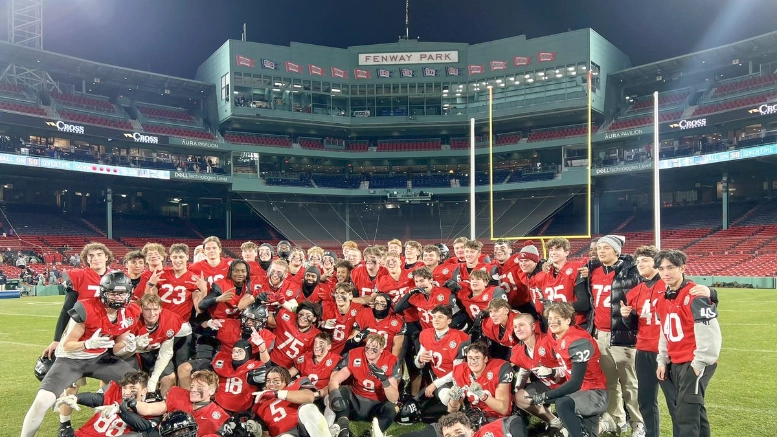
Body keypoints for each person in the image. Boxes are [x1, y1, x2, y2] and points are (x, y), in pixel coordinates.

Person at [21, 272, 140, 437]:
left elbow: (117, 348)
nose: (118, 297)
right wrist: (87, 343)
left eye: (122, 293)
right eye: (113, 293)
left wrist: (130, 347)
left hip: (100, 358)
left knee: (137, 382)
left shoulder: (131, 311)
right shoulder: (86, 307)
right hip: (71, 360)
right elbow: (67, 345)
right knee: (43, 401)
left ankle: (133, 425)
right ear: (104, 292)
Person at [655, 250, 721, 437]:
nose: (665, 273)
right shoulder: (663, 297)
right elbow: (664, 332)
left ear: (682, 268)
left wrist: (699, 362)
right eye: (661, 269)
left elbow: (710, 333)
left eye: (671, 267)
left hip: (694, 362)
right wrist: (662, 360)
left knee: (685, 414)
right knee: (693, 411)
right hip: (676, 362)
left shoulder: (695, 295)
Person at [588, 235, 644, 436]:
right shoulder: (593, 271)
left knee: (630, 384)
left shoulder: (632, 271)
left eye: (606, 248)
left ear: (617, 251)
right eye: (599, 248)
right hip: (600, 335)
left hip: (623, 335)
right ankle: (618, 420)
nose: (601, 251)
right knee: (609, 382)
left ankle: (638, 422)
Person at [528, 302, 608, 437]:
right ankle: (605, 425)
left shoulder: (578, 341)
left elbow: (575, 382)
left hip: (595, 393)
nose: (552, 322)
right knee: (586, 434)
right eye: (550, 318)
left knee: (563, 404)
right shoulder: (555, 335)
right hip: (580, 393)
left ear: (568, 320)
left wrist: (545, 396)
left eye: (557, 318)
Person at [327, 333, 401, 435]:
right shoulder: (355, 354)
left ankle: (372, 433)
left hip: (376, 404)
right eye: (367, 347)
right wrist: (335, 395)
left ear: (381, 349)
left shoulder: (391, 360)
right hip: (356, 401)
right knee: (342, 390)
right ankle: (344, 428)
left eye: (374, 348)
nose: (370, 350)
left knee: (393, 407)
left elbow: (394, 398)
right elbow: (334, 381)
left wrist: (385, 380)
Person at [54, 370, 160, 437]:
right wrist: (76, 398)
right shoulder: (115, 394)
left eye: (133, 388)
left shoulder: (152, 406)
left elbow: (145, 427)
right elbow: (95, 399)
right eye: (124, 388)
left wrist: (120, 410)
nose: (127, 392)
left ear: (144, 391)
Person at [509, 313, 565, 435]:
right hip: (548, 385)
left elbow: (571, 368)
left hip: (569, 385)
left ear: (533, 327)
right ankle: (554, 421)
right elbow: (525, 369)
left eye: (521, 325)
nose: (518, 329)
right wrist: (517, 389)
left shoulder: (549, 341)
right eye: (515, 326)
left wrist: (553, 371)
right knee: (520, 397)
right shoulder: (518, 351)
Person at [133, 370, 229, 435]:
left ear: (211, 391)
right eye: (192, 386)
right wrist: (132, 403)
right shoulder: (179, 395)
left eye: (199, 388)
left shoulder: (218, 417)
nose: (193, 390)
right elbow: (149, 409)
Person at [253, 367, 330, 437]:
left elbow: (309, 397)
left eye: (276, 381)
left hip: (304, 426)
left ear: (286, 381)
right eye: (268, 381)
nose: (271, 384)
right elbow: (266, 435)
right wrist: (257, 431)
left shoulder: (294, 385)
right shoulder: (260, 405)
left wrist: (277, 394)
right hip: (283, 434)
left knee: (307, 409)